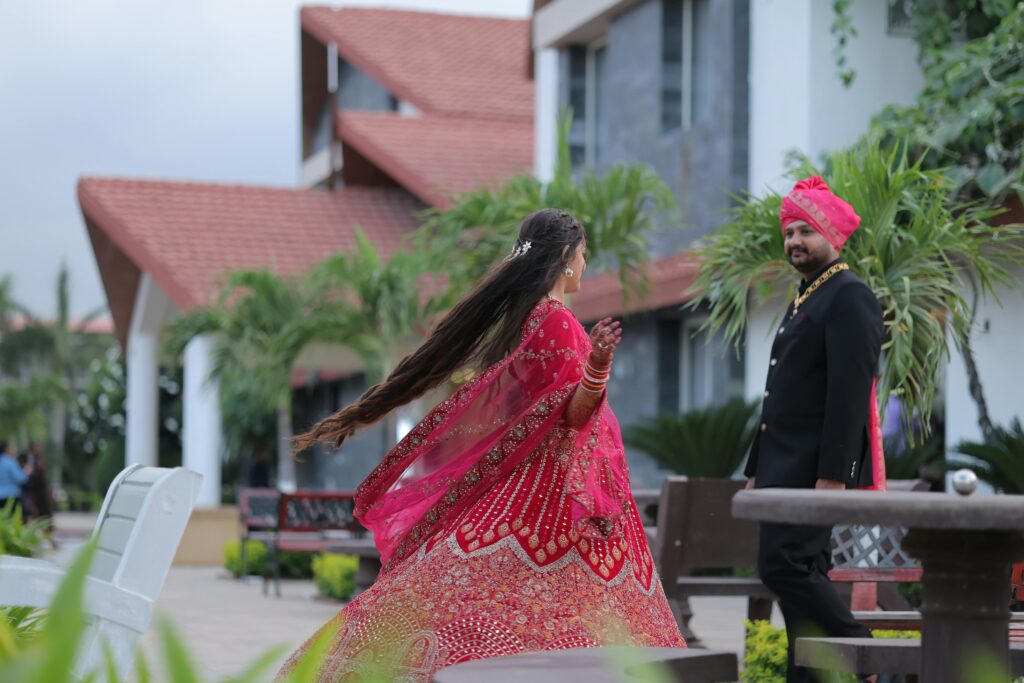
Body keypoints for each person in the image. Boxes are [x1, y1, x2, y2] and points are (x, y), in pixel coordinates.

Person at [278, 209, 685, 682]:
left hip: (543, 488)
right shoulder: (556, 322)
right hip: (555, 497)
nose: (585, 263)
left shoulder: (534, 319)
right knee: (561, 611)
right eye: (583, 254)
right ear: (565, 256)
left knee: (524, 606)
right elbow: (572, 417)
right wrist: (597, 367)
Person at [743, 176, 886, 683]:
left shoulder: (849, 296)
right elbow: (779, 392)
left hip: (812, 471)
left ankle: (870, 658)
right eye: (789, 233)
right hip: (782, 467)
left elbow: (849, 394)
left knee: (784, 567)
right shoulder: (809, 295)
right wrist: (757, 467)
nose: (794, 242)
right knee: (799, 585)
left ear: (832, 235)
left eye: (806, 231)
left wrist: (835, 474)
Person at [0, 440, 30, 513]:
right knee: (14, 517)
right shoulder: (9, 461)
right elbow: (21, 479)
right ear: (6, 449)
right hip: (12, 496)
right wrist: (26, 472)